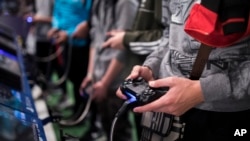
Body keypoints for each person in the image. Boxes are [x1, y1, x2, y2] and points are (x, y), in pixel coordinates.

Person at [115, 0, 250, 141]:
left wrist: (204, 90)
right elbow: (169, 33)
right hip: (163, 107)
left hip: (225, 115)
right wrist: (151, 66)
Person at [102, 0, 167, 140]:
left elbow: (168, 37)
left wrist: (127, 39)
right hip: (144, 73)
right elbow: (167, 36)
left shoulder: (126, 3)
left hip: (160, 81)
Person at [79, 0, 140, 140]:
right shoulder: (99, 3)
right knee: (107, 125)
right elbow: (95, 39)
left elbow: (125, 47)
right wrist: (90, 74)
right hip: (101, 75)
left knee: (119, 130)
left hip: (118, 78)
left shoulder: (125, 3)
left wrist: (105, 83)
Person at [46, 0, 92, 116]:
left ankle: (84, 111)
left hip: (82, 45)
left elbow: (89, 21)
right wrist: (56, 27)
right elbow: (57, 12)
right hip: (66, 43)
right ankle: (78, 107)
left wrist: (70, 33)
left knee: (82, 80)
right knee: (72, 77)